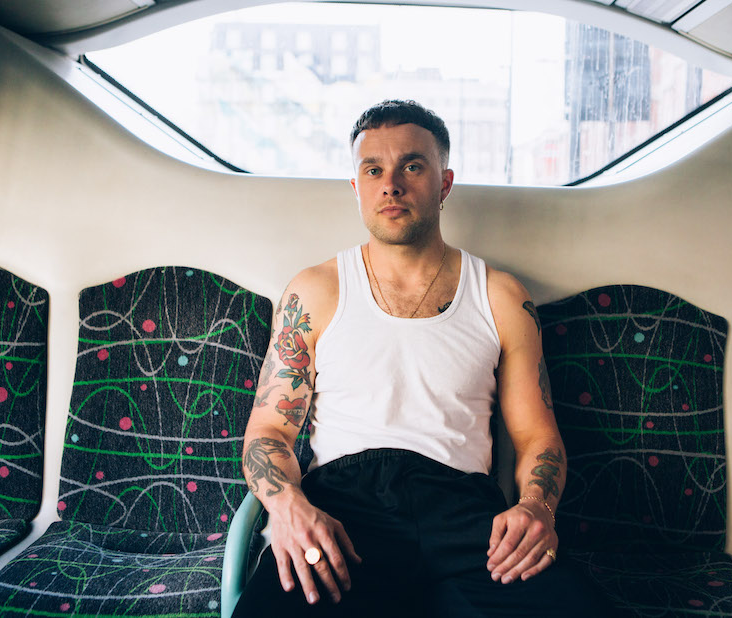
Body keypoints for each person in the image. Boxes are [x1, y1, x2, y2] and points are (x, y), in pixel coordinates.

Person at [234, 100, 603, 617]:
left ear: (444, 183)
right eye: (373, 170)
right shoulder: (315, 292)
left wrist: (536, 508)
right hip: (343, 512)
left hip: (466, 515)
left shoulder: (501, 296)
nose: (391, 185)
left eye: (411, 166)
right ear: (356, 187)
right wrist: (287, 506)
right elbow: (269, 430)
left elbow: (537, 437)